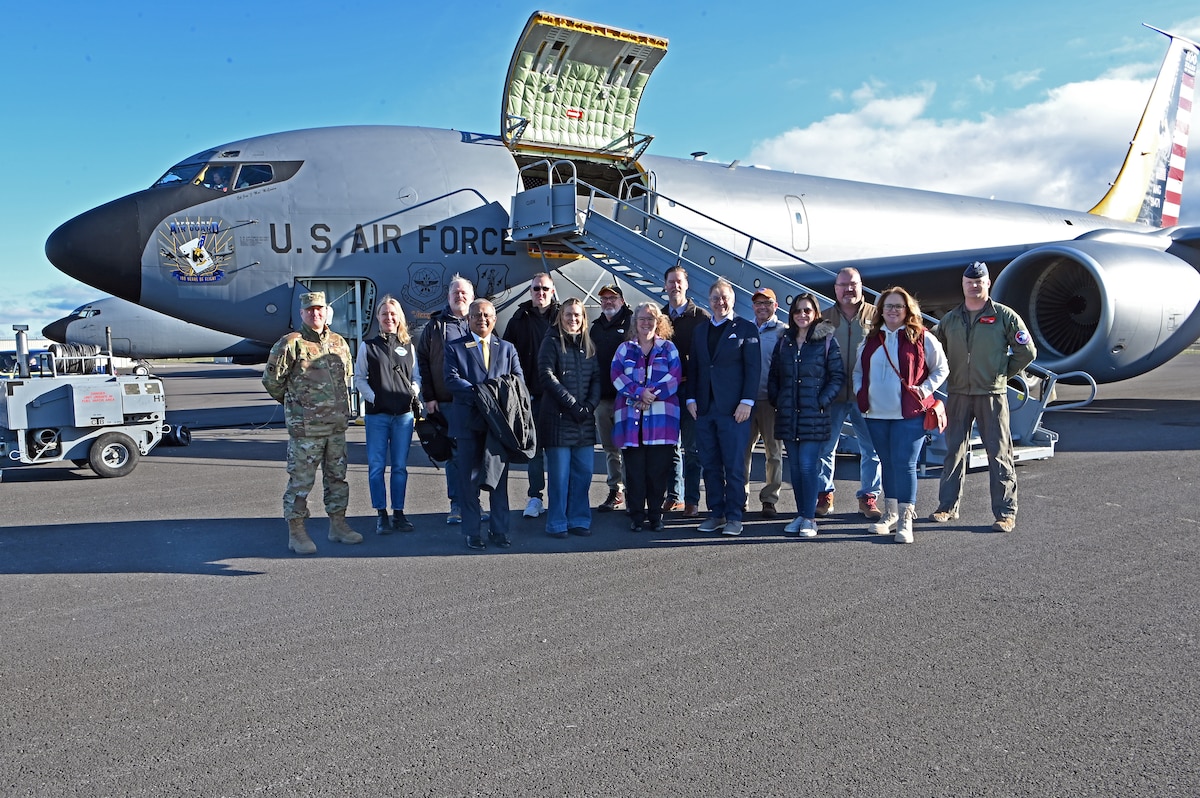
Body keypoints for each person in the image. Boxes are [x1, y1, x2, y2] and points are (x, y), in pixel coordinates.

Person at [930, 261, 1037, 532]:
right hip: (958, 394)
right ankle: (947, 507)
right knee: (953, 452)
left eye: (979, 281)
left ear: (988, 283)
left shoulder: (1004, 316)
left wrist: (1001, 375)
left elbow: (1027, 352)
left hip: (991, 395)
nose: (974, 285)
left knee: (998, 454)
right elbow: (931, 348)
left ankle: (1005, 513)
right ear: (963, 285)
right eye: (969, 282)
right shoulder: (951, 319)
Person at [262, 291, 361, 554]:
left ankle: (338, 526)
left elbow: (345, 380)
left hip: (336, 428)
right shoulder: (290, 344)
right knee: (301, 482)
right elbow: (272, 382)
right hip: (307, 429)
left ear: (326, 311)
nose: (315, 314)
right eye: (310, 310)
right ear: (302, 313)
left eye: (320, 309)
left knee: (337, 478)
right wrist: (297, 406)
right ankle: (297, 532)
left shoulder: (340, 343)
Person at [853, 288, 948, 543]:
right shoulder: (871, 338)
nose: (893, 310)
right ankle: (891, 513)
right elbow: (858, 371)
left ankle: (906, 518)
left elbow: (942, 368)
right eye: (888, 306)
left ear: (908, 310)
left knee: (905, 464)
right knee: (887, 462)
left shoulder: (922, 337)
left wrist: (924, 389)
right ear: (880, 310)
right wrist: (860, 391)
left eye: (898, 306)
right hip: (876, 414)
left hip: (910, 414)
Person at [444, 298, 524, 551]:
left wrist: (493, 396)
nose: (482, 319)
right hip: (469, 423)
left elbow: (517, 381)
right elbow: (452, 380)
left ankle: (499, 531)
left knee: (499, 482)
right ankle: (472, 532)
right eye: (477, 315)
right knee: (468, 482)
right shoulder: (455, 347)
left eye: (487, 315)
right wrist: (484, 394)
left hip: (498, 425)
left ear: (495, 319)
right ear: (468, 320)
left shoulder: (508, 348)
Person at [685, 278, 761, 537]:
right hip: (705, 409)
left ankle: (734, 516)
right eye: (716, 297)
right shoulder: (700, 330)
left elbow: (753, 369)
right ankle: (715, 513)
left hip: (734, 410)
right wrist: (691, 399)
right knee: (710, 463)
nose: (720, 302)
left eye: (725, 297)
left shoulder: (746, 329)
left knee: (734, 465)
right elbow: (694, 367)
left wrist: (747, 401)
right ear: (709, 301)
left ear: (733, 299)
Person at [768, 293, 844, 538]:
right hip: (789, 413)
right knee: (796, 468)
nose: (802, 315)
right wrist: (778, 399)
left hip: (814, 414)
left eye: (807, 311)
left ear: (815, 313)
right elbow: (774, 375)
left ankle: (810, 518)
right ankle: (801, 513)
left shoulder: (827, 341)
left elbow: (837, 377)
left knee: (809, 465)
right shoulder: (785, 341)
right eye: (798, 311)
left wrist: (821, 400)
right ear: (791, 314)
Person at [817, 267, 883, 521]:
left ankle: (868, 497)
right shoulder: (824, 319)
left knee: (871, 449)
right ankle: (825, 494)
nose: (848, 290)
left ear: (861, 285)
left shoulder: (875, 317)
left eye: (853, 284)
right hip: (833, 395)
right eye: (842, 285)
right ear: (835, 289)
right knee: (825, 447)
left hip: (865, 395)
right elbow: (816, 355)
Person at [612, 303, 683, 532]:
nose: (646, 323)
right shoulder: (625, 349)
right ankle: (636, 516)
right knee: (634, 472)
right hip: (631, 421)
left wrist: (650, 395)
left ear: (658, 322)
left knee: (657, 472)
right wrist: (638, 392)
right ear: (635, 322)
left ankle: (655, 515)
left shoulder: (669, 348)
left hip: (661, 421)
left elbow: (674, 377)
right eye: (642, 319)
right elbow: (616, 375)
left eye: (651, 319)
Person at [354, 295, 419, 535]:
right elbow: (359, 378)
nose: (389, 318)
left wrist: (412, 392)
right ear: (378, 318)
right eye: (384, 314)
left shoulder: (409, 347)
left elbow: (416, 377)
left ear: (399, 317)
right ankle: (381, 513)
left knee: (400, 467)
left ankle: (399, 513)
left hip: (403, 416)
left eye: (393, 314)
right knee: (377, 466)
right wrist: (374, 398)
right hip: (377, 416)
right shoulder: (368, 346)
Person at [538, 297, 601, 539]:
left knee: (583, 475)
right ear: (560, 317)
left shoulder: (589, 345)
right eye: (568, 315)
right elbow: (546, 375)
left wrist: (589, 406)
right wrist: (573, 405)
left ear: (583, 318)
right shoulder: (551, 342)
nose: (573, 319)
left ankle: (579, 519)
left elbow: (596, 378)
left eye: (577, 315)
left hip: (584, 421)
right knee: (559, 477)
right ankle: (557, 523)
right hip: (558, 421)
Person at [416, 275, 474, 524]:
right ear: (448, 297)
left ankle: (474, 502)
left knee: (474, 454)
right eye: (455, 293)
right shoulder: (436, 327)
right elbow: (424, 362)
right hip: (446, 402)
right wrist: (428, 397)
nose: (459, 296)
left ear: (471, 297)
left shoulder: (479, 321)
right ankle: (457, 504)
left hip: (475, 401)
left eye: (464, 293)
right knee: (453, 455)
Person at [502, 272, 559, 519]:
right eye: (536, 289)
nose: (541, 293)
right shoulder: (518, 319)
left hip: (559, 398)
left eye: (545, 289)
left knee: (558, 450)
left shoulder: (563, 317)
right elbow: (505, 357)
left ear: (553, 290)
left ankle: (559, 498)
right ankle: (535, 497)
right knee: (534, 452)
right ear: (530, 291)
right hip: (530, 398)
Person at [662, 265, 710, 517]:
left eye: (679, 281)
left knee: (692, 449)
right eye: (671, 282)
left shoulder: (701, 317)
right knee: (670, 446)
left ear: (686, 285)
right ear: (665, 285)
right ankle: (674, 495)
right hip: (666, 393)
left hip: (690, 390)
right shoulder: (660, 317)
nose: (675, 286)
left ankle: (691, 500)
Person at [590, 283, 633, 513]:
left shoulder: (632, 324)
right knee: (610, 448)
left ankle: (632, 491)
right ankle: (615, 489)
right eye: (604, 299)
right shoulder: (595, 327)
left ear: (622, 301)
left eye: (612, 298)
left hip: (627, 398)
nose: (608, 302)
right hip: (604, 398)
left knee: (629, 447)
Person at [743, 288, 785, 519]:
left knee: (774, 453)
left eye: (767, 303)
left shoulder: (783, 332)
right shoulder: (745, 329)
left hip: (771, 402)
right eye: (758, 303)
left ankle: (769, 499)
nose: (762, 307)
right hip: (746, 402)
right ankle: (741, 497)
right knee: (742, 452)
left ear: (775, 305)